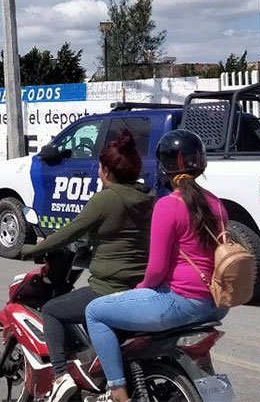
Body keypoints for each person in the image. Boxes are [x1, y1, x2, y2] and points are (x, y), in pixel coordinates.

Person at [84, 130, 230, 402]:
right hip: (217, 304)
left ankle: (117, 390)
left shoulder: (168, 205)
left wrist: (139, 288)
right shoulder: (216, 204)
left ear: (163, 167)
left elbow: (156, 270)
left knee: (95, 312)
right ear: (201, 164)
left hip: (182, 302)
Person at [18, 130, 153, 402]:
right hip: (140, 289)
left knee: (53, 311)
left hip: (108, 289)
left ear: (106, 171)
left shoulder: (106, 200)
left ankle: (60, 377)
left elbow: (70, 232)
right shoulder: (148, 198)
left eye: (100, 168)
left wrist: (29, 249)